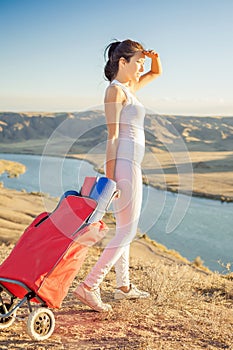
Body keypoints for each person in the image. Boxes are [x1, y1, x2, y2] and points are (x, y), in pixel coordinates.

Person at [74, 39, 162, 312]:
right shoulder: (115, 92)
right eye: (137, 62)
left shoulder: (129, 88)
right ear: (122, 63)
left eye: (142, 63)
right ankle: (89, 286)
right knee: (128, 229)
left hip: (132, 164)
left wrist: (150, 57)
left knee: (125, 226)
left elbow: (156, 73)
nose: (141, 68)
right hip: (123, 164)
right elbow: (111, 137)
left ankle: (123, 286)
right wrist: (110, 179)